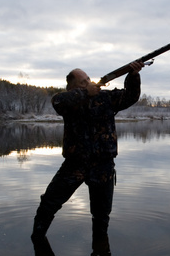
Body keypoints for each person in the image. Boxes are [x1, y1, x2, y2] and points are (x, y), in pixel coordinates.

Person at [31, 61, 143, 241]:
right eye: (82, 82)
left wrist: (133, 75)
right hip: (75, 163)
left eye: (88, 79)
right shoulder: (68, 101)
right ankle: (37, 240)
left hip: (103, 165)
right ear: (72, 87)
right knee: (49, 203)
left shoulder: (105, 97)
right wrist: (85, 93)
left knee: (101, 215)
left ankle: (100, 254)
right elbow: (57, 101)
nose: (88, 83)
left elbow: (131, 96)